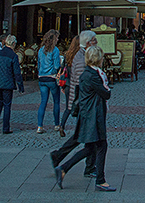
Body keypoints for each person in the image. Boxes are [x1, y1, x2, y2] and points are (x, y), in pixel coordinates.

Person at [54, 44, 115, 191]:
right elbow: (106, 93)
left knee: (90, 148)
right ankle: (100, 180)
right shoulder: (94, 75)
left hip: (88, 114)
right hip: (94, 116)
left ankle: (63, 168)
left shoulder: (86, 73)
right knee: (101, 146)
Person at [53, 31, 98, 176]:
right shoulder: (82, 59)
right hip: (85, 105)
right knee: (88, 137)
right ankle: (85, 167)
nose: (96, 42)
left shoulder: (84, 55)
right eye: (94, 40)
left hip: (85, 104)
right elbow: (82, 85)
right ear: (88, 43)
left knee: (83, 136)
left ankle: (60, 156)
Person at [0, 34, 24, 134]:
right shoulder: (13, 56)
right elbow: (17, 72)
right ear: (13, 44)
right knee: (7, 105)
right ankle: (5, 128)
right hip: (8, 83)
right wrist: (20, 86)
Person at [37, 29, 61, 133]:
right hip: (51, 78)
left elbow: (38, 64)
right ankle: (56, 125)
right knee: (56, 102)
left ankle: (40, 126)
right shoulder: (55, 50)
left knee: (43, 102)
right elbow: (56, 66)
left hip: (42, 77)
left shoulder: (40, 50)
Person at [58, 35, 80, 136]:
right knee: (79, 106)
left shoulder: (67, 55)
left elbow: (63, 69)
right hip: (76, 84)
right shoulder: (80, 56)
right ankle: (79, 129)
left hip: (67, 83)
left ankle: (62, 125)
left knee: (68, 107)